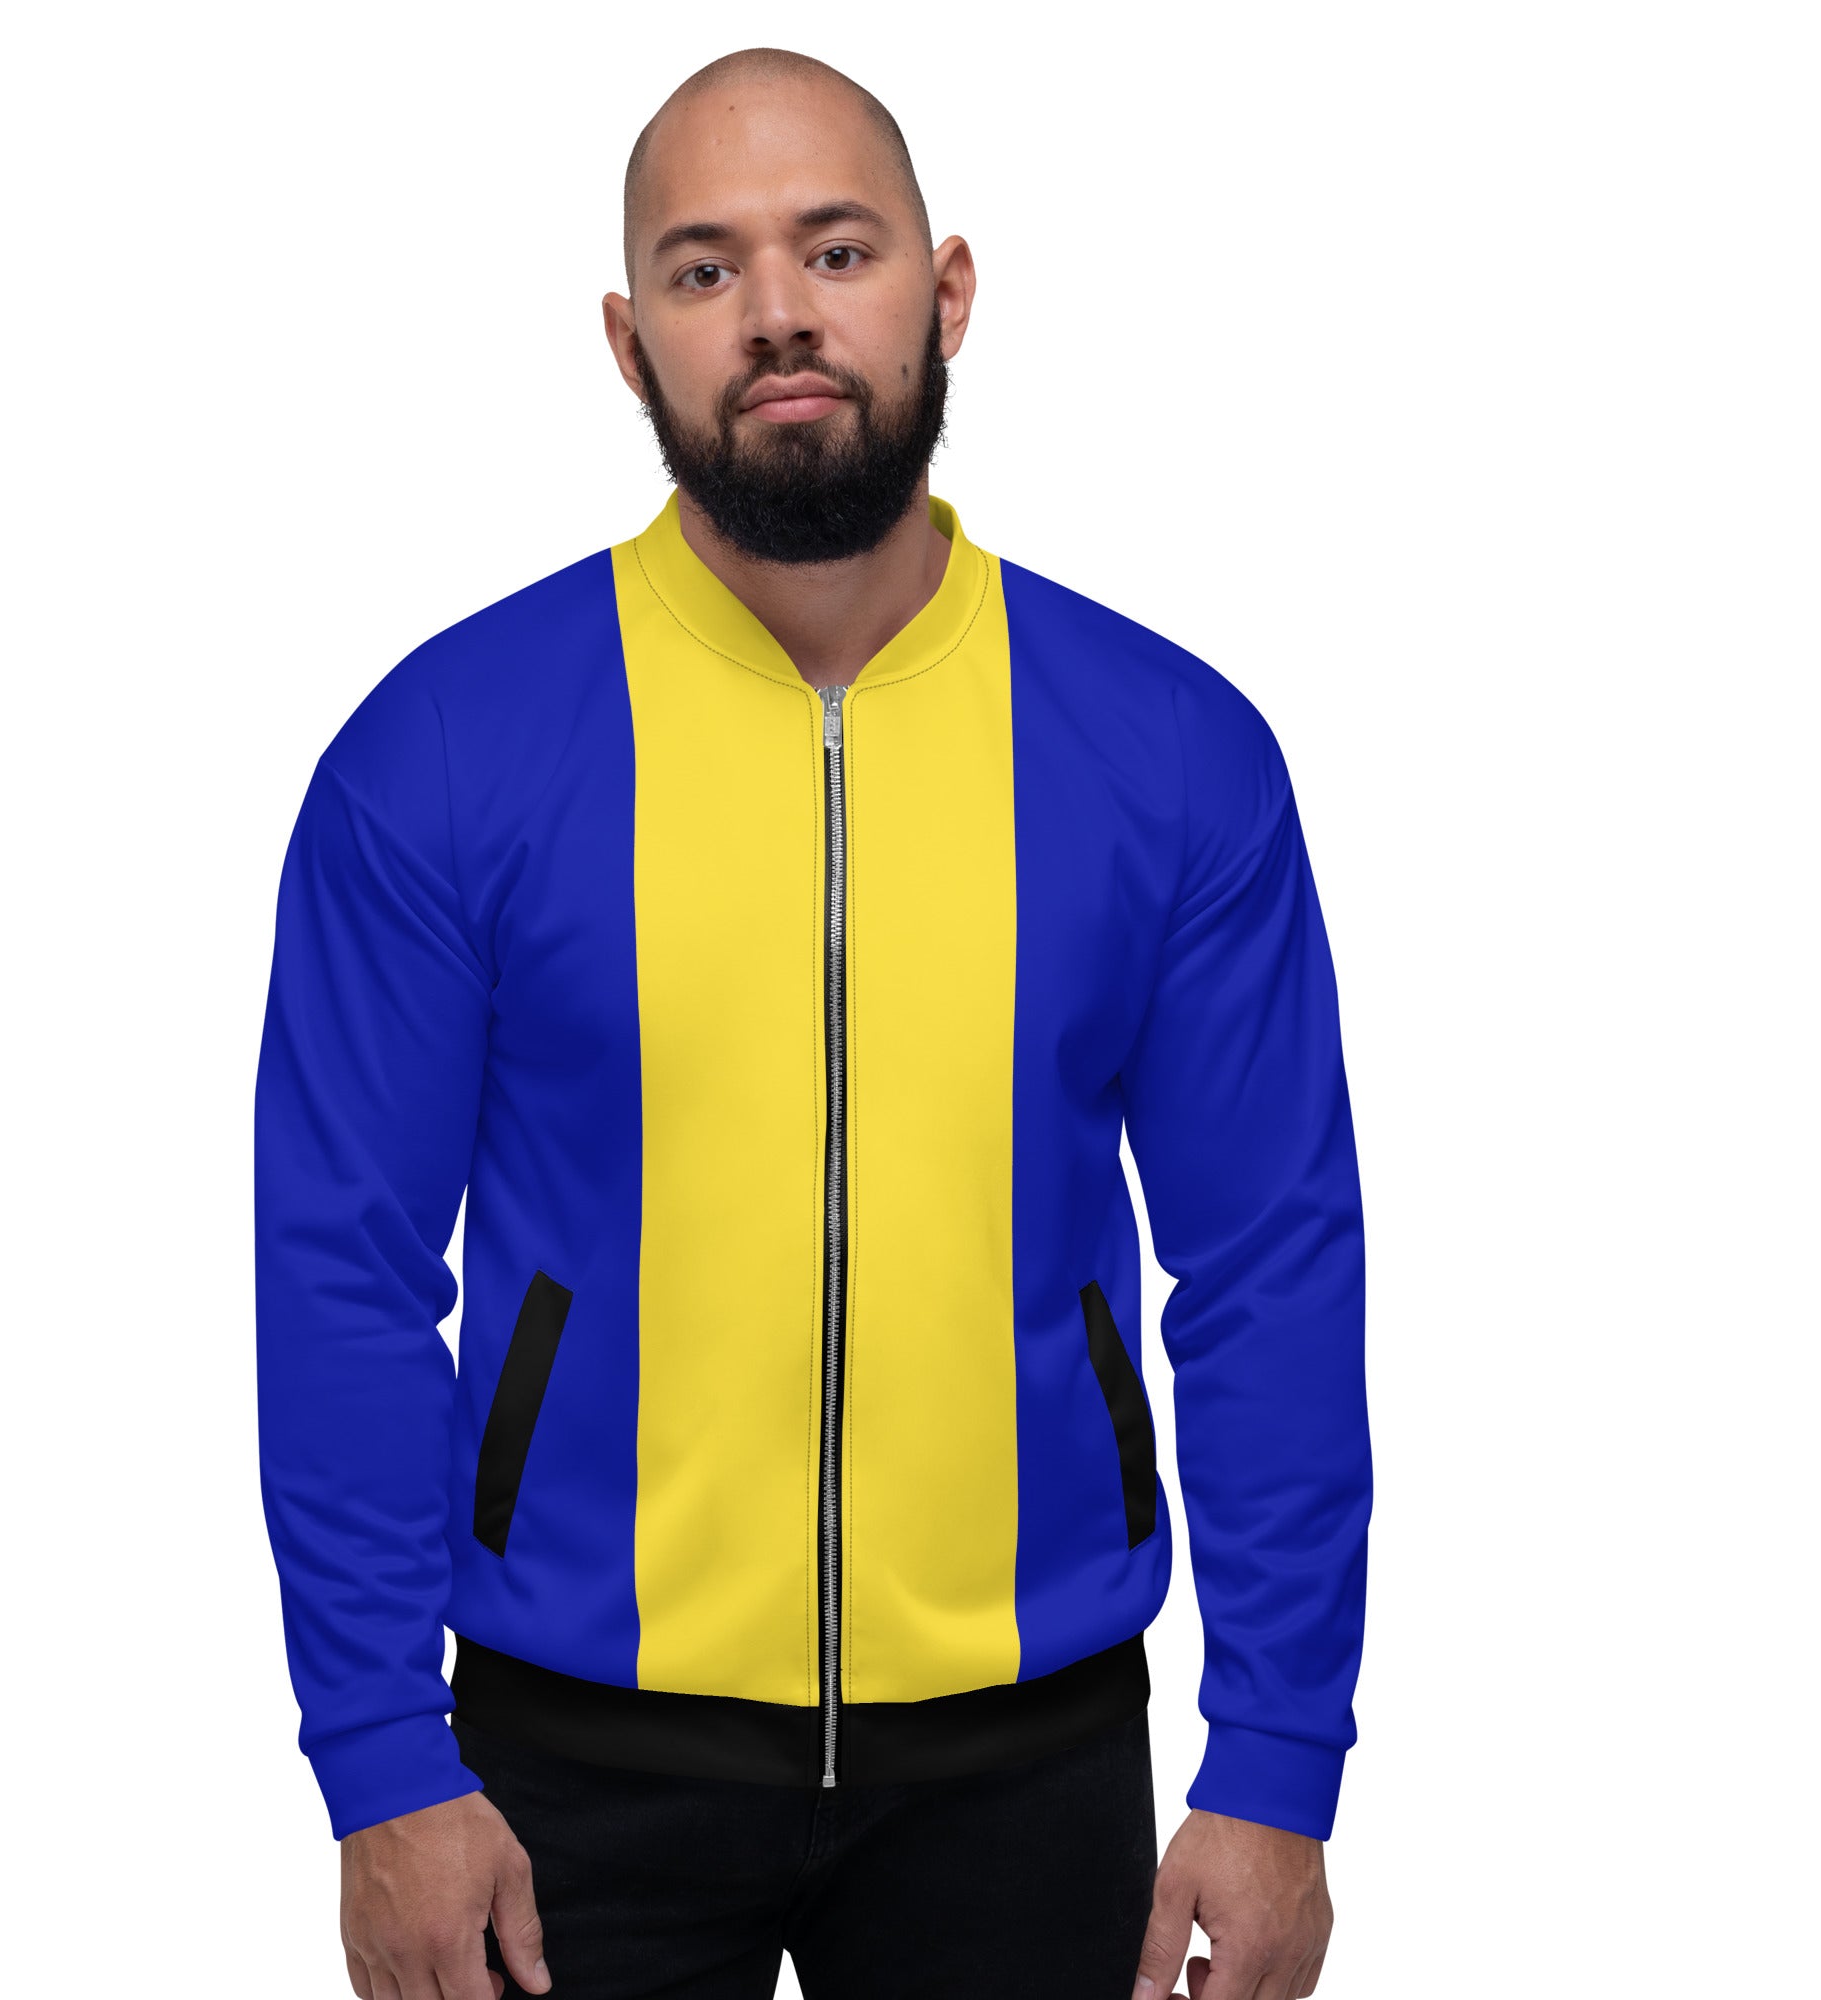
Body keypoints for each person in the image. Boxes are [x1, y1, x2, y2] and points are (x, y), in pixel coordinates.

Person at [254, 46, 1369, 2000]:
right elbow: (340, 1269)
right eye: (704, 269)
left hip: (1024, 1761)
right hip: (558, 1770)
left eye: (835, 250)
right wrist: (377, 1757)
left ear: (947, 293)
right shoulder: (440, 755)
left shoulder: (1171, 755)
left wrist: (1276, 1765)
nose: (776, 312)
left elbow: (1270, 1265)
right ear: (630, 343)